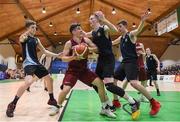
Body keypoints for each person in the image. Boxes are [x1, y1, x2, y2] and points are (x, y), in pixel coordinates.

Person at [50, 23, 116, 118]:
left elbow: (97, 49)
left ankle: (104, 108)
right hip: (72, 70)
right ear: (73, 32)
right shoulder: (69, 43)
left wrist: (87, 48)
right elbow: (64, 58)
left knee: (100, 84)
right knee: (66, 90)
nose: (81, 30)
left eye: (81, 28)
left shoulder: (86, 40)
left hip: (84, 70)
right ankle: (57, 106)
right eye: (78, 29)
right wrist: (73, 57)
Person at [83, 11, 140, 120]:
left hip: (109, 59)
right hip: (100, 60)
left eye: (92, 18)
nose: (90, 21)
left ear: (97, 19)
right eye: (89, 19)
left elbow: (114, 30)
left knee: (109, 86)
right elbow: (84, 35)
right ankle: (107, 105)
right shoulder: (93, 32)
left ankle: (133, 102)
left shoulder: (104, 28)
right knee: (96, 84)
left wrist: (104, 19)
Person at [6, 19, 61, 117]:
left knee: (49, 79)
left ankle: (51, 99)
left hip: (36, 63)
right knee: (28, 82)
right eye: (32, 27)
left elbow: (44, 51)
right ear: (27, 28)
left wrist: (57, 55)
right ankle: (12, 104)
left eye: (35, 27)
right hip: (28, 64)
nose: (35, 29)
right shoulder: (24, 37)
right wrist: (28, 30)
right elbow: (21, 39)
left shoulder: (36, 39)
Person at [112, 10, 161, 116]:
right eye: (118, 27)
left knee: (134, 83)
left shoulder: (131, 35)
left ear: (125, 26)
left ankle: (154, 103)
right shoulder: (121, 38)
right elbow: (111, 43)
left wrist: (142, 21)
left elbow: (138, 30)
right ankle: (115, 101)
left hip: (132, 62)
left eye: (120, 26)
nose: (119, 28)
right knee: (113, 81)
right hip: (124, 62)